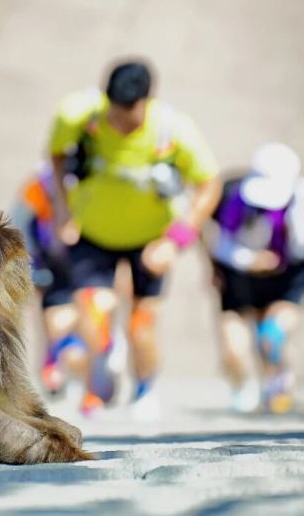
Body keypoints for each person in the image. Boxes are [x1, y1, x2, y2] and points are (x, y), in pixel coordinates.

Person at [47, 59, 222, 419]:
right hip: (93, 233)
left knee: (141, 324)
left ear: (147, 101)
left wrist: (175, 240)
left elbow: (209, 186)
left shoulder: (174, 130)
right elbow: (56, 156)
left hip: (151, 240)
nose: (120, 123)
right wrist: (63, 211)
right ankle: (103, 365)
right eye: (115, 112)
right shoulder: (80, 116)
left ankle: (144, 388)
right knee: (93, 311)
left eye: (129, 114)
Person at [205, 143, 304, 414]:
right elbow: (222, 243)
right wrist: (250, 261)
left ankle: (278, 380)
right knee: (235, 346)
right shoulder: (238, 197)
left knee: (272, 334)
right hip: (242, 276)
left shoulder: (303, 195)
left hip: (287, 275)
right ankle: (242, 386)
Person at [9, 164, 88, 397]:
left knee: (87, 311)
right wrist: (30, 262)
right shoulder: (39, 185)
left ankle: (79, 360)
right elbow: (20, 224)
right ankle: (55, 360)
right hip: (49, 258)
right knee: (52, 318)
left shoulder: (92, 178)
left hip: (86, 257)